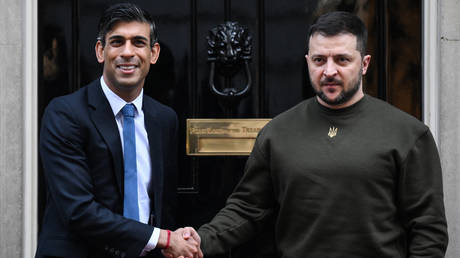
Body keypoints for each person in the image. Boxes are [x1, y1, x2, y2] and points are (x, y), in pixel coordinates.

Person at [172, 11, 449, 258]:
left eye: (342, 59)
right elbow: (247, 208)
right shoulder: (278, 132)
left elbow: (428, 229)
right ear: (308, 62)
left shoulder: (408, 134)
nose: (329, 71)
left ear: (364, 64)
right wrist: (201, 241)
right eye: (319, 60)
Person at [36, 3, 201, 258]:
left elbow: (163, 205)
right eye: (116, 42)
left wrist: (178, 239)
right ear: (101, 51)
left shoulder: (164, 119)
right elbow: (79, 211)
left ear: (153, 53)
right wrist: (165, 239)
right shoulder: (65, 114)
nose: (127, 52)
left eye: (138, 42)